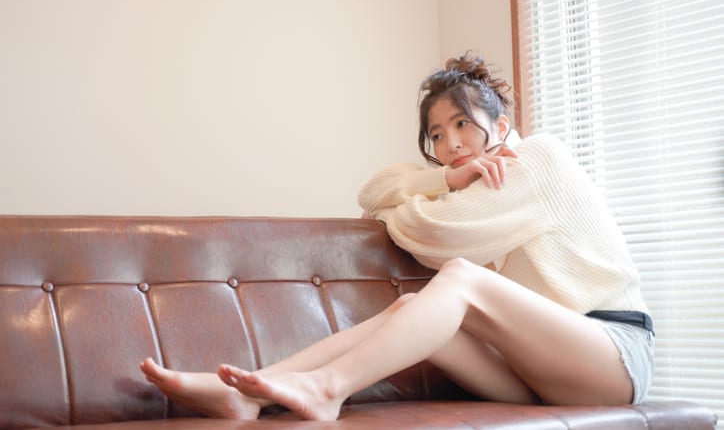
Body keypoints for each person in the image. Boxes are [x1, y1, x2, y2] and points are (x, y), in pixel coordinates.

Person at [140, 53, 655, 421]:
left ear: (500, 126)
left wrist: (398, 213)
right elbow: (372, 191)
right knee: (411, 308)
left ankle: (326, 387)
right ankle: (248, 391)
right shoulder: (463, 179)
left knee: (459, 278)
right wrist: (444, 180)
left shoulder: (534, 158)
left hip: (612, 356)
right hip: (539, 373)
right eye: (437, 135)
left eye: (463, 124)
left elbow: (431, 232)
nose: (452, 144)